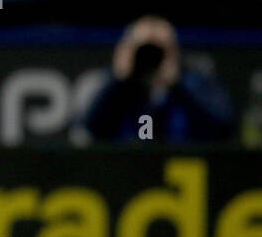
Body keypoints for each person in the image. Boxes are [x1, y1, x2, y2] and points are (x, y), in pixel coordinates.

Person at [83, 15, 236, 142]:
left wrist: (177, 85)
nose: (151, 57)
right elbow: (90, 128)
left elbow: (222, 127)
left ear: (175, 52)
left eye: (159, 49)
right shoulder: (111, 86)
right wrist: (120, 80)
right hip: (125, 169)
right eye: (143, 50)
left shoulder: (196, 84)